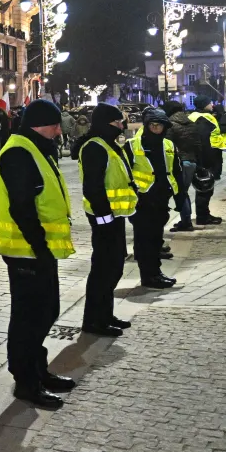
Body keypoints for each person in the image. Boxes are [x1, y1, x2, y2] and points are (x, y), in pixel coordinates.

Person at [0, 99, 75, 410]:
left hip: (39, 250)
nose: (59, 131)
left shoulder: (36, 148)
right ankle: (26, 382)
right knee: (29, 318)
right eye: (55, 125)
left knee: (47, 312)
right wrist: (39, 247)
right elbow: (22, 207)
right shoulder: (18, 152)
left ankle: (38, 370)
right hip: (25, 252)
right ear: (40, 125)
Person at [75, 104, 136, 336]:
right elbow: (93, 186)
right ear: (104, 124)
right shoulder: (95, 147)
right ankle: (94, 321)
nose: (121, 126)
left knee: (114, 267)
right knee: (103, 269)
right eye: (117, 122)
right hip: (103, 217)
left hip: (114, 216)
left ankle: (105, 314)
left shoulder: (109, 144)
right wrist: (104, 218)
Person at [128, 107, 181, 290]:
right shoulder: (132, 145)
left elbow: (176, 171)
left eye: (160, 125)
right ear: (147, 125)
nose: (156, 128)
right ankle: (148, 275)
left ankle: (155, 273)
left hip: (161, 198)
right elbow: (125, 174)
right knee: (145, 241)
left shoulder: (168, 145)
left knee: (156, 239)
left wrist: (180, 197)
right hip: (142, 200)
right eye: (153, 125)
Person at [163, 99, 202, 233]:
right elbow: (198, 145)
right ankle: (186, 220)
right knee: (183, 192)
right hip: (191, 161)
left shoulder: (170, 125)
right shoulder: (192, 124)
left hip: (179, 162)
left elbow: (167, 146)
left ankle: (186, 222)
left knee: (179, 193)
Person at [188, 99, 225, 226]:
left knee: (203, 188)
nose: (212, 105)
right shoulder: (203, 119)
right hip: (207, 158)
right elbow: (203, 141)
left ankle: (204, 214)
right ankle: (203, 216)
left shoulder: (195, 116)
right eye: (209, 103)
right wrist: (207, 162)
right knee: (205, 187)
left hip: (203, 157)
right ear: (204, 105)